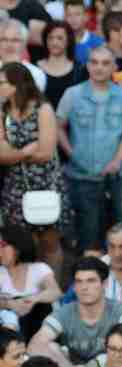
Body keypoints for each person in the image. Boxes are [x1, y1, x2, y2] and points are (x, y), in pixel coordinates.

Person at [56, 46, 122, 258]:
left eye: (105, 63)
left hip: (117, 176)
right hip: (82, 175)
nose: (99, 67)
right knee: (88, 235)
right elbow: (58, 126)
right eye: (94, 62)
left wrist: (118, 160)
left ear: (114, 67)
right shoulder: (72, 94)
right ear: (88, 65)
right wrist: (72, 153)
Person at [0, 62, 72, 272]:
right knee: (23, 243)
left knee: (49, 242)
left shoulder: (43, 108)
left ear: (18, 84)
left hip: (46, 183)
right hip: (15, 186)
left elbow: (46, 153)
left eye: (2, 83)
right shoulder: (2, 111)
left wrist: (14, 154)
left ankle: (52, 287)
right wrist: (25, 152)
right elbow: (1, 155)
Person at [0, 225, 62, 341]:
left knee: (42, 306)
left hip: (39, 328)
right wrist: (10, 304)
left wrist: (32, 300)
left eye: (2, 245)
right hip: (10, 333)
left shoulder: (39, 268)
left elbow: (55, 291)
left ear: (17, 247)